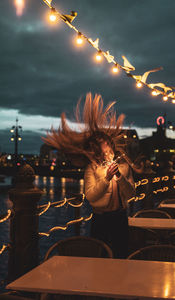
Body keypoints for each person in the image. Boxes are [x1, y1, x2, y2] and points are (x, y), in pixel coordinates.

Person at [43, 93, 135, 258]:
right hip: (100, 219)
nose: (103, 148)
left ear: (109, 143)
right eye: (99, 145)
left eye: (104, 143)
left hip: (121, 217)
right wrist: (106, 178)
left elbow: (131, 194)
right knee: (99, 258)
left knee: (122, 256)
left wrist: (119, 177)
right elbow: (91, 196)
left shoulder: (123, 166)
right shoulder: (91, 169)